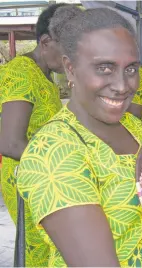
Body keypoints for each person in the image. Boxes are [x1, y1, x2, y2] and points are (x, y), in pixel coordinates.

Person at [16, 7, 142, 267]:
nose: (123, 85)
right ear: (70, 69)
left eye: (131, 69)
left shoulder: (132, 126)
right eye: (105, 68)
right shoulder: (54, 153)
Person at [0, 3, 71, 229]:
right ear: (45, 42)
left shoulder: (45, 76)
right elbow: (10, 143)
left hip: (43, 176)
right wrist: (65, 167)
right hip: (28, 180)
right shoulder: (22, 71)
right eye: (68, 50)